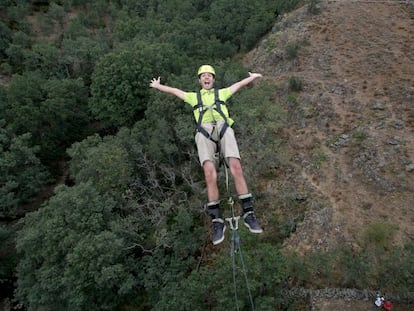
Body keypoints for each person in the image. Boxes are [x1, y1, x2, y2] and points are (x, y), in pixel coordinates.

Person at [150, 65, 263, 245]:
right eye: (203, 76)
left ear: (213, 79)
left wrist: (252, 77)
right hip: (204, 132)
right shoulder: (194, 97)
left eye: (209, 75)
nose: (206, 78)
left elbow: (238, 85)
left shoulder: (222, 93)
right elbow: (175, 91)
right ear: (199, 80)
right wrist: (158, 86)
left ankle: (249, 213)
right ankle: (217, 221)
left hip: (223, 127)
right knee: (209, 174)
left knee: (236, 167)